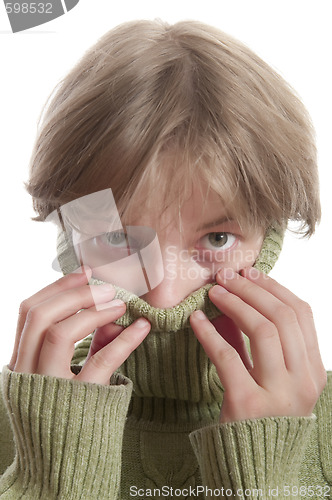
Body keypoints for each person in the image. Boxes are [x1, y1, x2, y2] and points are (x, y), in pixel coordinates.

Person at [0, 19, 330, 499]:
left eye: (218, 237)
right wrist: (49, 481)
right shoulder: (12, 418)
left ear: (271, 236)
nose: (164, 294)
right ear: (69, 234)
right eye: (117, 238)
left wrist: (267, 472)